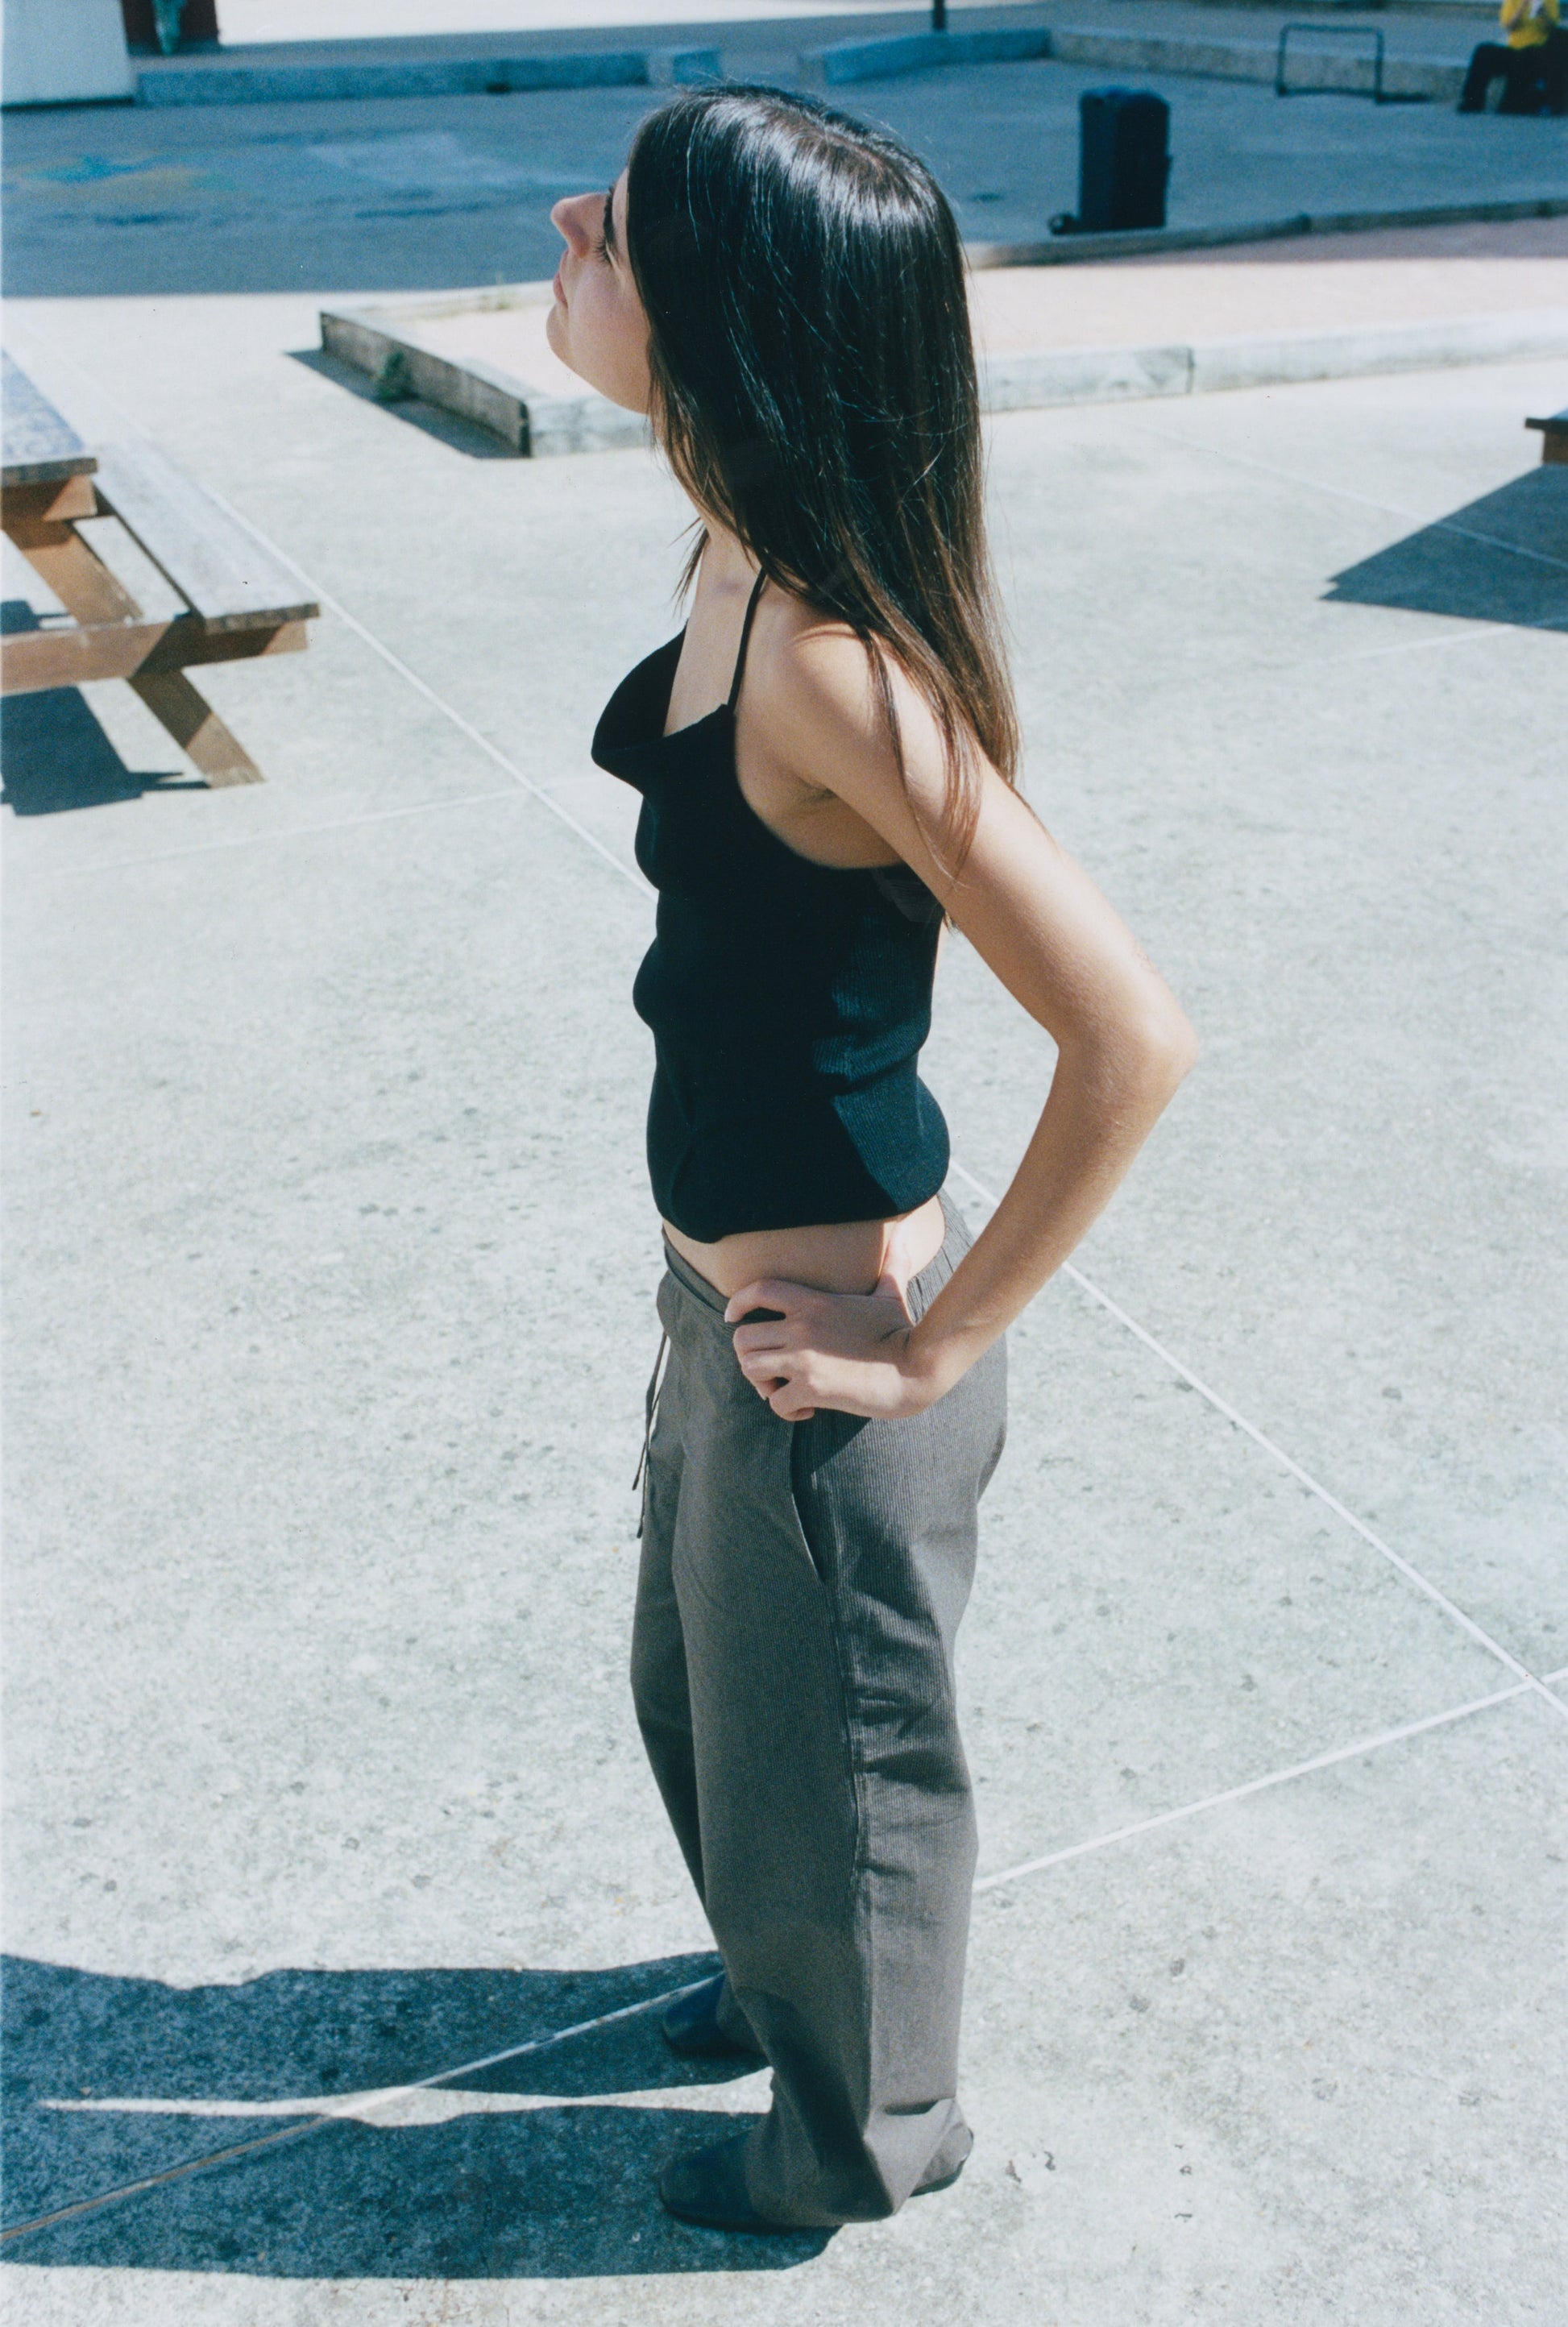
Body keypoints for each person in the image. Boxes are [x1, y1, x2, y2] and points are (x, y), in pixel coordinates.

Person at [545, 85, 1197, 2236]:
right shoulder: (731, 537)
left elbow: (1130, 1036)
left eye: (615, 232)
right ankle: (776, 1976)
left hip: (829, 1360)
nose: (569, 229)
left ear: (717, 323)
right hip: (717, 1305)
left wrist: (929, 1356)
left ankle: (857, 2137)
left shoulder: (830, 662)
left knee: (844, 1788)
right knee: (700, 1702)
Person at [1458, 0, 1567, 114]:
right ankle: (1472, 102)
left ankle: (1512, 104)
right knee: (1483, 52)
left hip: (1537, 52)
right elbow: (1509, 27)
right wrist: (1522, 8)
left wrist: (1542, 13)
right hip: (1514, 50)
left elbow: (1553, 29)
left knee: (1527, 55)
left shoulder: (1550, 1)